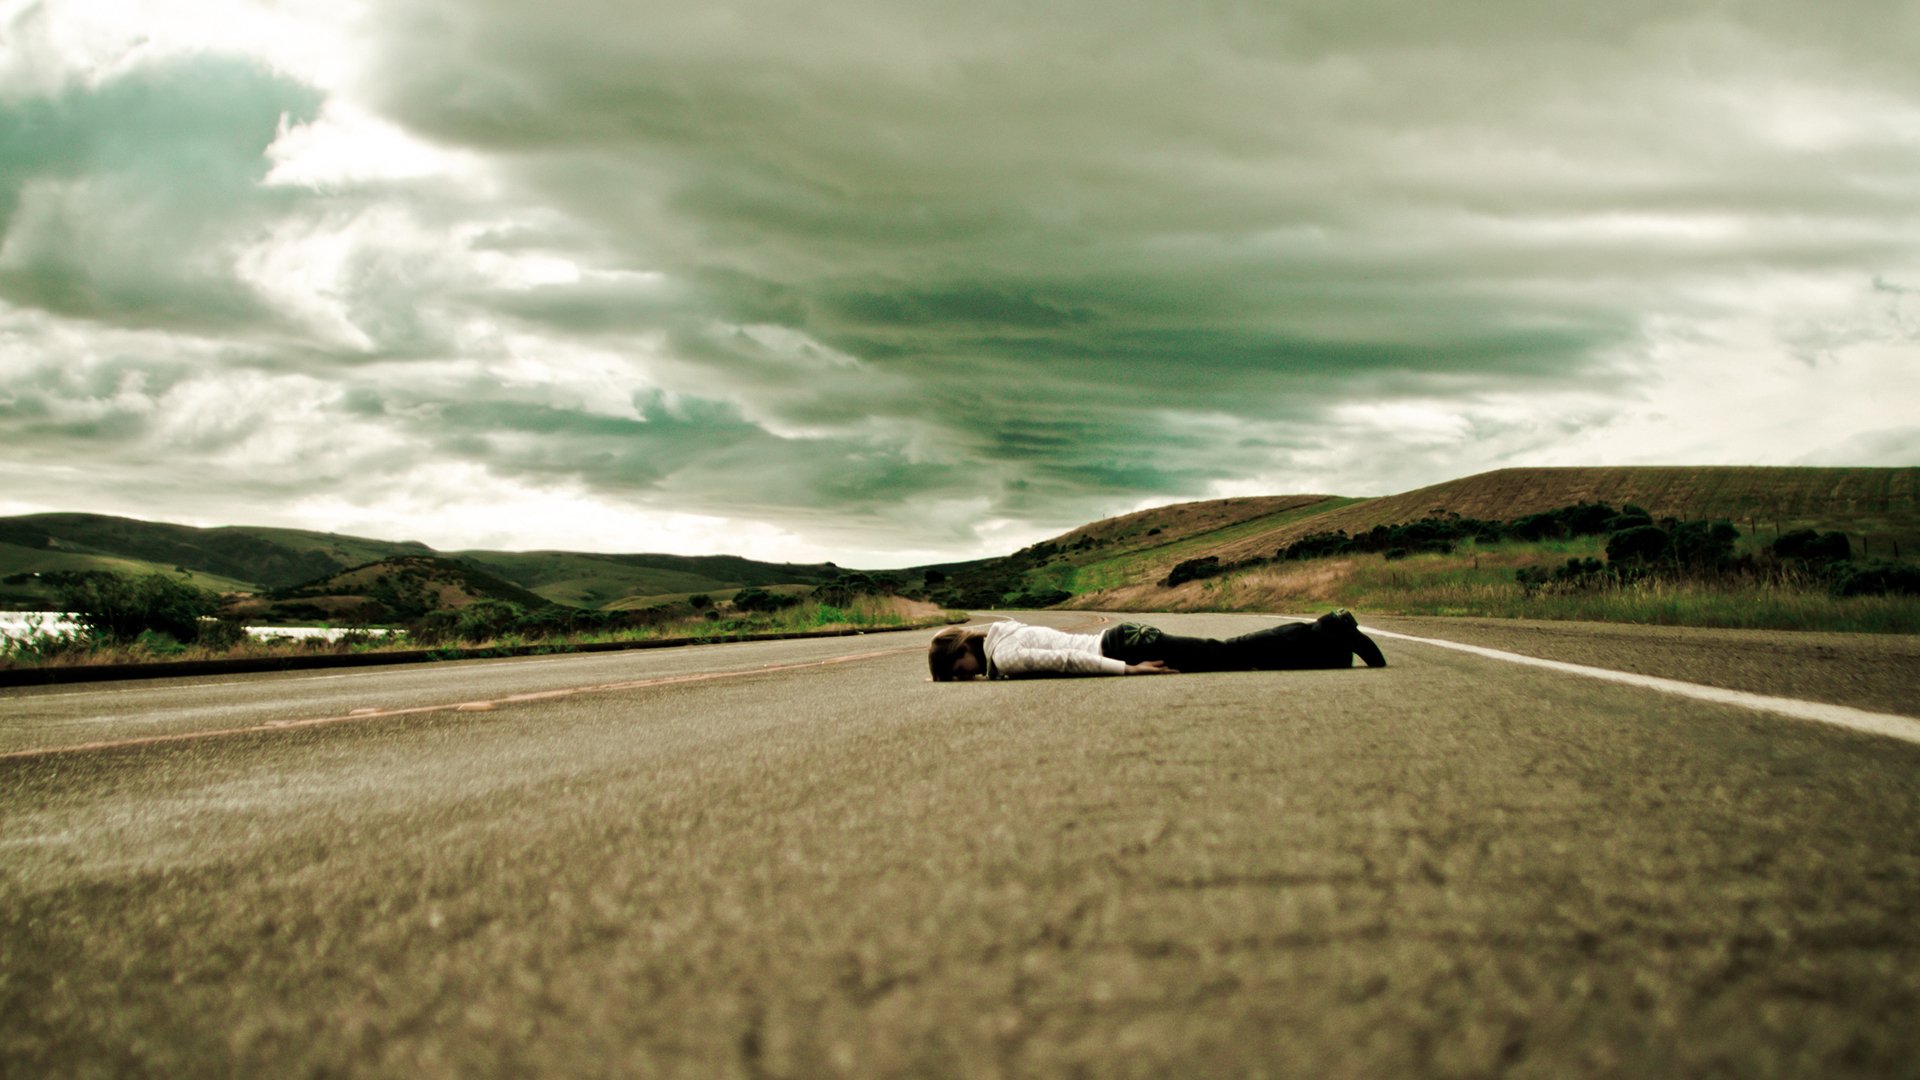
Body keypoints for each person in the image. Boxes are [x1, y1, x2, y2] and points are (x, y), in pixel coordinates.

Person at [927, 610, 1386, 681]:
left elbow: (1066, 659)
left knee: (1231, 654)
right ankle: (1331, 652)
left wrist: (1128, 670)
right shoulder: (1003, 630)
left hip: (1121, 648)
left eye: (958, 671)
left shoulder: (1004, 655)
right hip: (1124, 636)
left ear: (961, 652)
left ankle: (1330, 627)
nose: (965, 677)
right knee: (1232, 656)